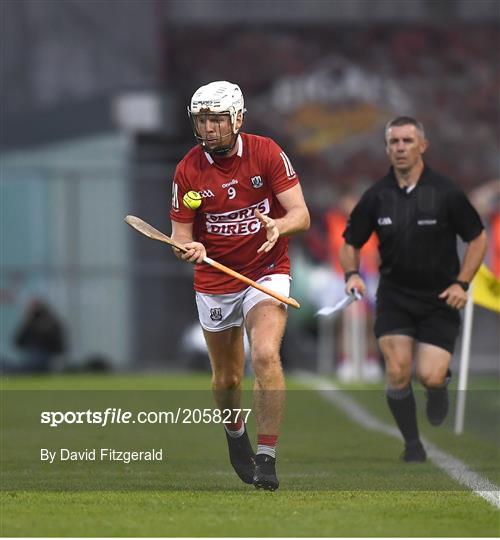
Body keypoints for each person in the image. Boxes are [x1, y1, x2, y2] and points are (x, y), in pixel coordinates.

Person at [170, 81, 310, 489]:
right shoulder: (188, 171)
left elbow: (300, 214)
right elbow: (179, 236)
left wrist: (278, 225)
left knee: (265, 354)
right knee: (227, 379)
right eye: (202, 120)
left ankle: (266, 456)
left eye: (216, 119)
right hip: (214, 278)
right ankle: (235, 436)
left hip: (266, 269)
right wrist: (188, 248)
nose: (209, 128)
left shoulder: (266, 152)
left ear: (237, 119)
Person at [340, 116, 487, 462]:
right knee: (397, 371)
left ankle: (438, 390)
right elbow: (350, 242)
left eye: (407, 141)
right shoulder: (376, 196)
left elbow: (478, 238)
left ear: (423, 146)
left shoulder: (446, 192)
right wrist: (352, 274)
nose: (401, 148)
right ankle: (412, 445)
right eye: (394, 142)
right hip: (395, 297)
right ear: (387, 149)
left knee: (430, 376)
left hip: (440, 298)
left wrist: (462, 283)